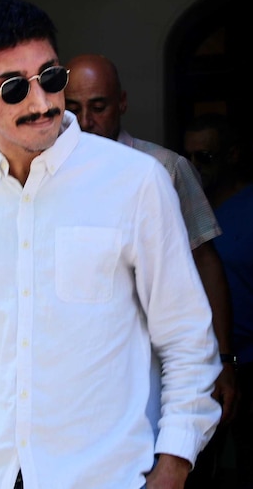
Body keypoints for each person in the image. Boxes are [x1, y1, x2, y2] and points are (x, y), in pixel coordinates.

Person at [0, 0, 221, 489]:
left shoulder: (135, 183)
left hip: (106, 477)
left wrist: (173, 466)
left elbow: (186, 338)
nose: (41, 103)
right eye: (13, 88)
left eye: (50, 78)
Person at [64, 54, 238, 428]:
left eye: (98, 107)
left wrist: (223, 358)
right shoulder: (47, 173)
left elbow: (206, 263)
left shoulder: (165, 168)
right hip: (77, 375)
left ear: (122, 102)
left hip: (157, 367)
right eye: (73, 108)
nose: (86, 122)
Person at [184, 113, 253, 488]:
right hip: (199, 369)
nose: (197, 168)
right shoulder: (180, 213)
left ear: (231, 155)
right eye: (191, 158)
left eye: (207, 158)